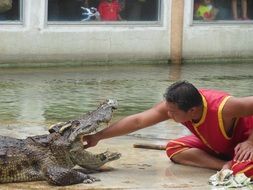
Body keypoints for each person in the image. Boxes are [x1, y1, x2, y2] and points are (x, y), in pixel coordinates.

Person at [83, 81, 253, 178]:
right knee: (174, 148)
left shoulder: (225, 107)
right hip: (220, 149)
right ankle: (224, 165)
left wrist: (250, 141)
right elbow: (137, 121)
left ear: (192, 110)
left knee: (244, 172)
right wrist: (97, 136)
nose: (168, 114)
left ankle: (233, 165)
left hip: (244, 148)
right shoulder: (177, 105)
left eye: (173, 112)